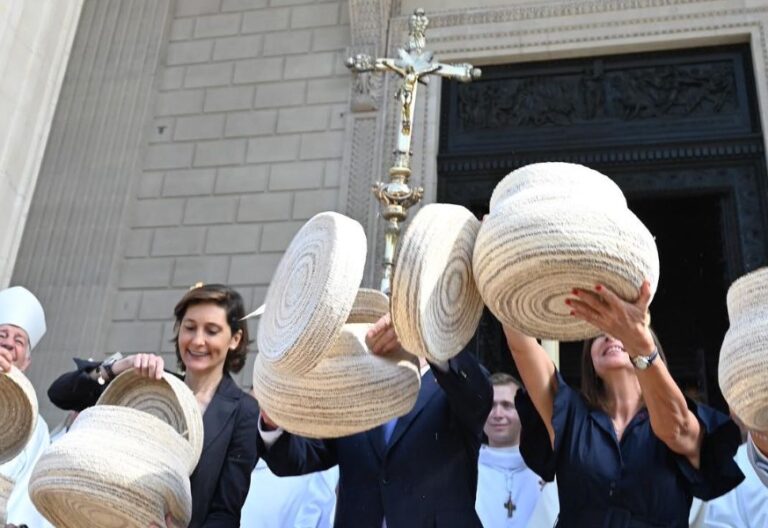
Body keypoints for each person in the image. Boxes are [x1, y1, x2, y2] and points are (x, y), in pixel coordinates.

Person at [502, 280, 744, 527]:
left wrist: (638, 343)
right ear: (590, 361)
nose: (609, 335)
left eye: (620, 331)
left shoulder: (671, 412)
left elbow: (677, 430)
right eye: (598, 335)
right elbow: (521, 346)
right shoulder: (570, 415)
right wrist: (507, 274)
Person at [47, 284, 260, 527]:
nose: (198, 340)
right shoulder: (149, 385)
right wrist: (117, 368)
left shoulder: (244, 411)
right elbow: (60, 394)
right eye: (189, 327)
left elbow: (226, 513)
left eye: (211, 331)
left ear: (235, 339)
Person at [257, 313, 493, 528]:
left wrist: (431, 342)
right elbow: (303, 457)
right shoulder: (355, 396)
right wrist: (273, 425)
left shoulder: (450, 386)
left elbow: (477, 396)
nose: (386, 335)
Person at [0, 286, 52, 528]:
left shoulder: (35, 427)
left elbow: (29, 507)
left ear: (26, 362)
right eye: (2, 335)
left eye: (19, 340)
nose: (9, 344)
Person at [475, 372, 542, 527]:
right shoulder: (466, 471)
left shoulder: (544, 473)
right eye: (491, 405)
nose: (498, 414)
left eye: (507, 405)